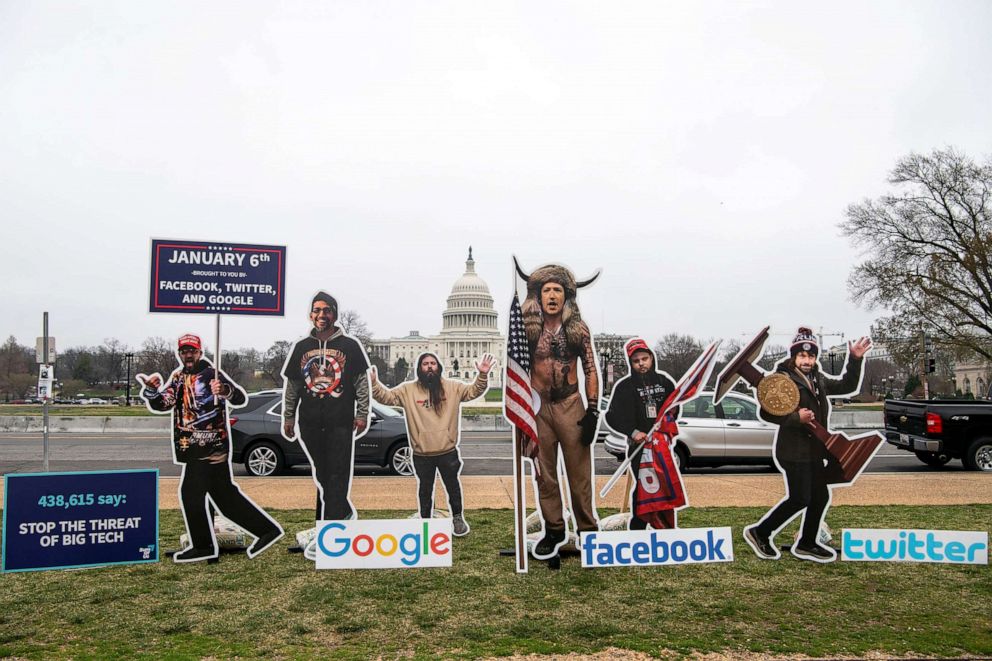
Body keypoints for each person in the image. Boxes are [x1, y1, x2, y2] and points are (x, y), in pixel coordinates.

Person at [139, 334, 283, 563]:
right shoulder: (178, 376)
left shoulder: (211, 373)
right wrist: (152, 392)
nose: (188, 355)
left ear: (200, 352)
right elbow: (163, 403)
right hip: (191, 446)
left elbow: (239, 398)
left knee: (191, 495)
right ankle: (265, 531)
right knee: (225, 497)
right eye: (184, 351)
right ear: (179, 353)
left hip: (211, 446)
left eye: (192, 351)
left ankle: (204, 545)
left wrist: (224, 390)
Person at [743, 327, 871, 563]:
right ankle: (760, 532)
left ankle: (807, 543)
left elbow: (846, 386)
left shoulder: (818, 378)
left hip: (814, 451)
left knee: (820, 497)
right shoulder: (781, 380)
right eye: (802, 356)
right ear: (794, 357)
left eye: (811, 356)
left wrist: (855, 359)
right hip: (793, 451)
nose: (807, 360)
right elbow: (766, 413)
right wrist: (795, 418)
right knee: (801, 497)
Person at [520, 263, 601, 558]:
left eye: (557, 290)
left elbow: (591, 369)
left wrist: (593, 410)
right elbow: (516, 369)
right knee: (545, 474)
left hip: (570, 403)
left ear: (566, 296)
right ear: (538, 296)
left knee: (579, 473)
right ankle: (554, 528)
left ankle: (587, 529)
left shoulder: (577, 329)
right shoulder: (527, 331)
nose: (552, 295)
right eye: (546, 290)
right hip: (539, 406)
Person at [370, 352, 496, 536]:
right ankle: (426, 520)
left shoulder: (453, 387)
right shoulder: (407, 390)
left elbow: (473, 391)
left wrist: (483, 375)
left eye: (433, 363)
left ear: (439, 367)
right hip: (422, 452)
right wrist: (374, 384)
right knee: (425, 489)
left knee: (452, 486)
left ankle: (458, 518)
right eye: (425, 364)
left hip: (447, 450)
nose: (429, 367)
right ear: (419, 368)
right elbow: (387, 398)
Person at [281, 291, 370, 522]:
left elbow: (362, 383)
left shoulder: (350, 346)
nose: (322, 315)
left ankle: (331, 529)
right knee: (323, 474)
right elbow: (293, 386)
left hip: (340, 421)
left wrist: (362, 414)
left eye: (327, 310)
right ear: (311, 315)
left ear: (335, 315)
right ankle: (342, 511)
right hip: (309, 422)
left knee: (337, 474)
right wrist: (288, 417)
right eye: (317, 310)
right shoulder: (301, 347)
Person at [604, 338, 679, 529]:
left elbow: (675, 408)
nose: (641, 363)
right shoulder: (624, 387)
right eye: (636, 361)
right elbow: (612, 416)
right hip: (639, 447)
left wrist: (666, 423)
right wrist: (633, 432)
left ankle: (665, 527)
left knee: (664, 484)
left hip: (660, 444)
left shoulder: (665, 382)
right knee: (646, 487)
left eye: (644, 359)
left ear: (651, 358)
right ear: (631, 363)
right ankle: (638, 527)